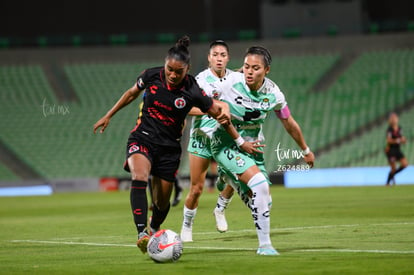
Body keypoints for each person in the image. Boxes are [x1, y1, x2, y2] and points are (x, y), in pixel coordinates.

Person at [93, 36, 259, 254]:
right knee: (139, 176)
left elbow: (216, 112)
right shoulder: (151, 75)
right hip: (142, 137)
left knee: (163, 203)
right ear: (165, 64)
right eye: (169, 69)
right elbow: (132, 93)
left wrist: (238, 139)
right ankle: (142, 233)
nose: (172, 75)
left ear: (187, 69)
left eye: (178, 71)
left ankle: (154, 227)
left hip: (169, 148)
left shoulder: (192, 89)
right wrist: (109, 115)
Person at [210, 46, 315, 256]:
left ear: (266, 70)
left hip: (253, 148)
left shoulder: (274, 94)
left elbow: (288, 122)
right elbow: (205, 99)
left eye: (255, 68)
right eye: (246, 66)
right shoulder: (230, 83)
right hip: (225, 142)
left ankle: (230, 177)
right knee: (258, 185)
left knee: (265, 199)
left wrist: (305, 149)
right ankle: (265, 246)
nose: (249, 72)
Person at [180, 40, 236, 242]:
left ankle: (220, 209)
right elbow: (186, 108)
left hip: (225, 138)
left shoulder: (236, 78)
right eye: (215, 55)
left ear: (227, 58)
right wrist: (211, 111)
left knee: (237, 177)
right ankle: (187, 225)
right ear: (209, 58)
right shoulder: (199, 80)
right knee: (196, 189)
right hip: (201, 138)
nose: (219, 58)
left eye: (222, 55)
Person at [385, 112, 408, 185]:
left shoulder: (399, 128)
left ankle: (392, 176)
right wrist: (398, 140)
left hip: (397, 149)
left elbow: (401, 138)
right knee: (393, 168)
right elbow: (388, 140)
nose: (394, 120)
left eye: (395, 118)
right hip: (391, 150)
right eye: (392, 118)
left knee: (405, 164)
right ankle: (388, 183)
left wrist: (403, 140)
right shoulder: (389, 129)